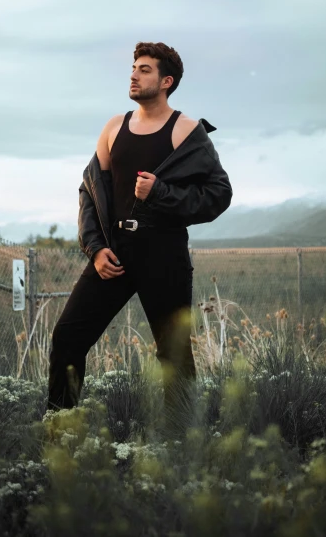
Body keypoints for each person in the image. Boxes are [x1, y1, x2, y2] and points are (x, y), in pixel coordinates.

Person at [47, 41, 232, 435]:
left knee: (174, 354)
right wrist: (95, 248)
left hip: (163, 253)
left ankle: (180, 443)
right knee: (67, 337)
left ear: (166, 81)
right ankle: (59, 431)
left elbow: (218, 194)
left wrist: (161, 193)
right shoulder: (114, 127)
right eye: (133, 67)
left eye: (144, 69)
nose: (133, 74)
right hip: (114, 253)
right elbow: (89, 190)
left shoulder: (186, 130)